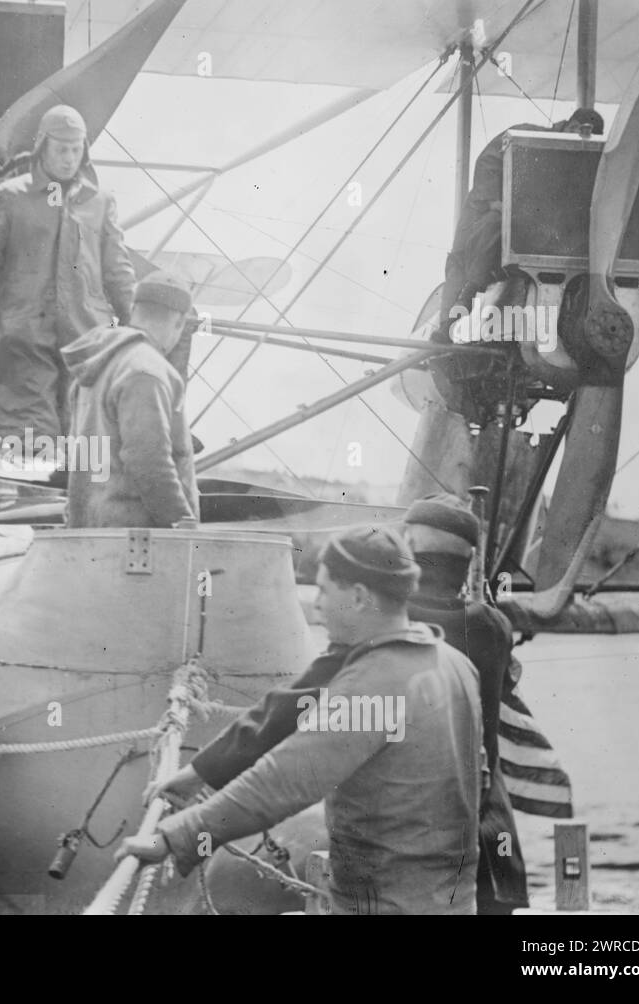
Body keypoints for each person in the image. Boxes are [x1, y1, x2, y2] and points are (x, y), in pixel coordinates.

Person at [120, 525, 484, 915]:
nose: (318, 606)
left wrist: (175, 836)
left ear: (359, 597)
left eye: (326, 591)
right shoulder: (455, 665)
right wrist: (199, 774)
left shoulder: (371, 685)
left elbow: (282, 781)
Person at [0, 104, 137, 443]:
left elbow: (118, 271)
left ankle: (72, 496)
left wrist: (139, 328)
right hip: (22, 345)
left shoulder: (101, 203)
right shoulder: (8, 198)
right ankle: (35, 488)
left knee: (85, 450)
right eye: (61, 149)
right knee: (33, 441)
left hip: (88, 347)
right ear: (43, 146)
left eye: (76, 149)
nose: (69, 158)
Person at [401, 492, 529, 914]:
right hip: (493, 846)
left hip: (414, 852)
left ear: (409, 551)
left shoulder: (392, 622)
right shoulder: (494, 627)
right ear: (469, 562)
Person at [432, 107, 605, 412]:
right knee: (467, 259)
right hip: (489, 215)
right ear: (571, 124)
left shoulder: (582, 162)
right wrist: (498, 202)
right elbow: (487, 162)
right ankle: (450, 323)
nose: (582, 138)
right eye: (581, 131)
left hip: (532, 237)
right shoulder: (525, 134)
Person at [60, 270, 199, 529]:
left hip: (90, 533)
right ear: (179, 322)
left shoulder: (97, 363)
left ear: (134, 309)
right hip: (136, 546)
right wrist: (181, 522)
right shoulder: (148, 370)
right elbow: (148, 460)